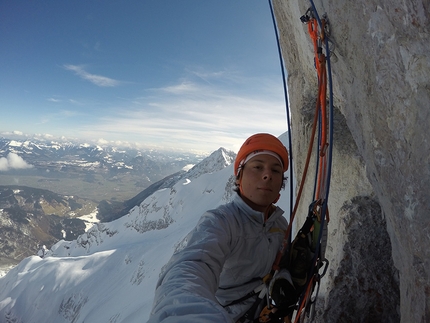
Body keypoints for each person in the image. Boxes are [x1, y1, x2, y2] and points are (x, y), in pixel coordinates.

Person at [147, 133, 297, 323]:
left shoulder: (280, 224)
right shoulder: (221, 221)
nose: (267, 175)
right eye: (257, 167)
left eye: (276, 170)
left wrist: (284, 278)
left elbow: (278, 265)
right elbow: (194, 264)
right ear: (238, 178)